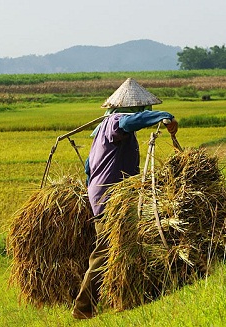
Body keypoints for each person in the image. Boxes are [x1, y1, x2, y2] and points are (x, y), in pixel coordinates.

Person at [72, 78, 178, 319]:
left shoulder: (101, 131)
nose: (144, 112)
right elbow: (132, 121)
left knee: (124, 246)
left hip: (108, 196)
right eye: (143, 109)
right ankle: (82, 308)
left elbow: (89, 167)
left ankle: (124, 296)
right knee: (104, 250)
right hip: (110, 199)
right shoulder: (115, 123)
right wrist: (165, 116)